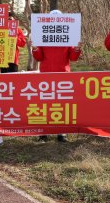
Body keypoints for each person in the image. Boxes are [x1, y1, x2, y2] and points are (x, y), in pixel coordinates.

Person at [32, 10, 83, 142]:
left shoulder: (68, 38)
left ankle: (62, 132)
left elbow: (73, 57)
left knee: (62, 105)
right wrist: (35, 48)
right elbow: (39, 57)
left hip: (63, 76)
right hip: (46, 75)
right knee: (45, 104)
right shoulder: (43, 38)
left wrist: (77, 48)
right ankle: (44, 132)